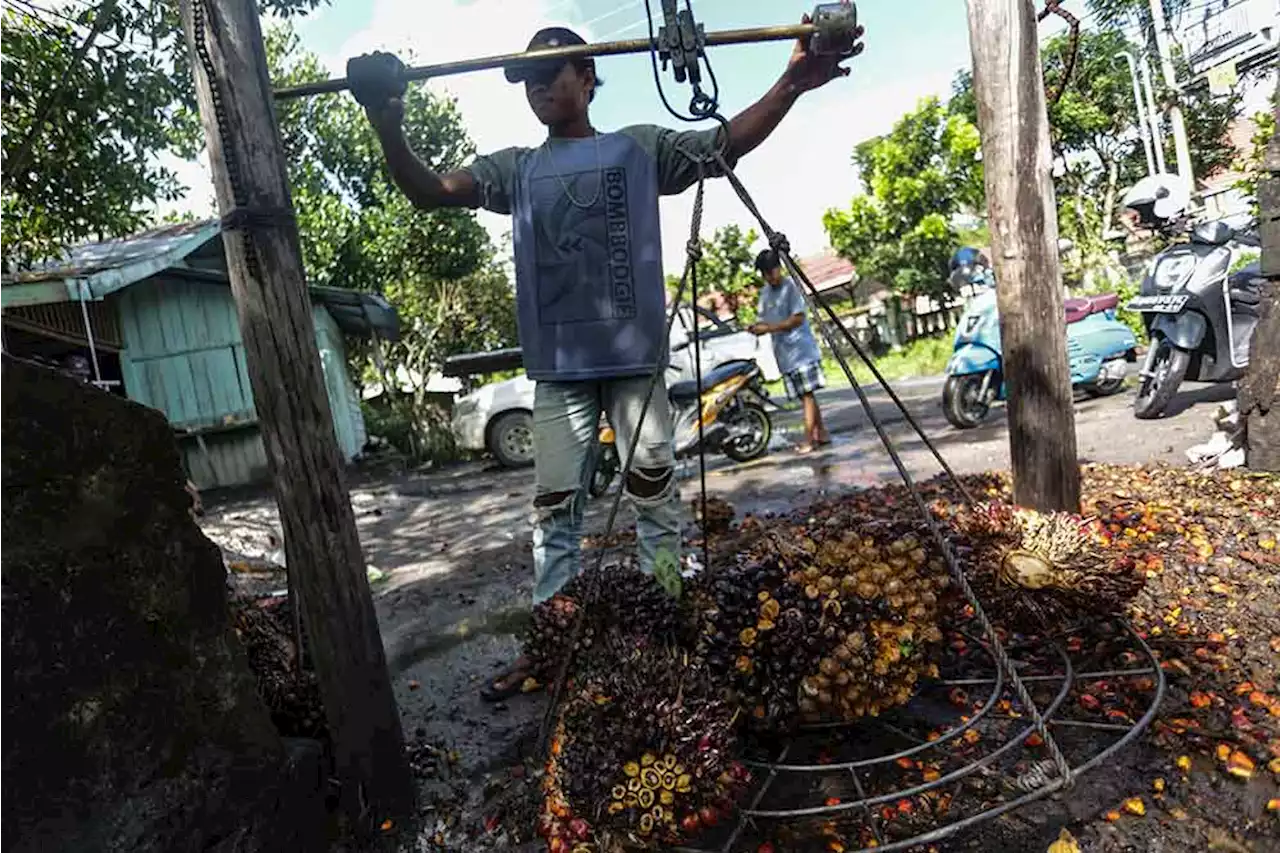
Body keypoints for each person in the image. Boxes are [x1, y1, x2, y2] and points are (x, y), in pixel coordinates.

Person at [348, 17, 861, 700]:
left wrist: (794, 82)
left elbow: (724, 143)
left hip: (635, 361)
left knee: (655, 497)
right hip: (560, 371)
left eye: (550, 72)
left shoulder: (638, 150)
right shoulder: (515, 169)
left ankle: (670, 629)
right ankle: (551, 646)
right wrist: (386, 122)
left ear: (588, 78)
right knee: (555, 512)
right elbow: (429, 191)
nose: (536, 87)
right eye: (525, 78)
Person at [749, 249, 829, 453]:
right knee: (806, 395)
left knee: (807, 395)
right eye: (765, 273)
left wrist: (769, 328)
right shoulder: (765, 294)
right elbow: (763, 321)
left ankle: (809, 440)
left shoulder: (791, 287)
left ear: (779, 268)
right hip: (785, 355)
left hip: (800, 350)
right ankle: (822, 433)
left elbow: (798, 318)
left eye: (772, 271)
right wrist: (757, 328)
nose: (769, 276)